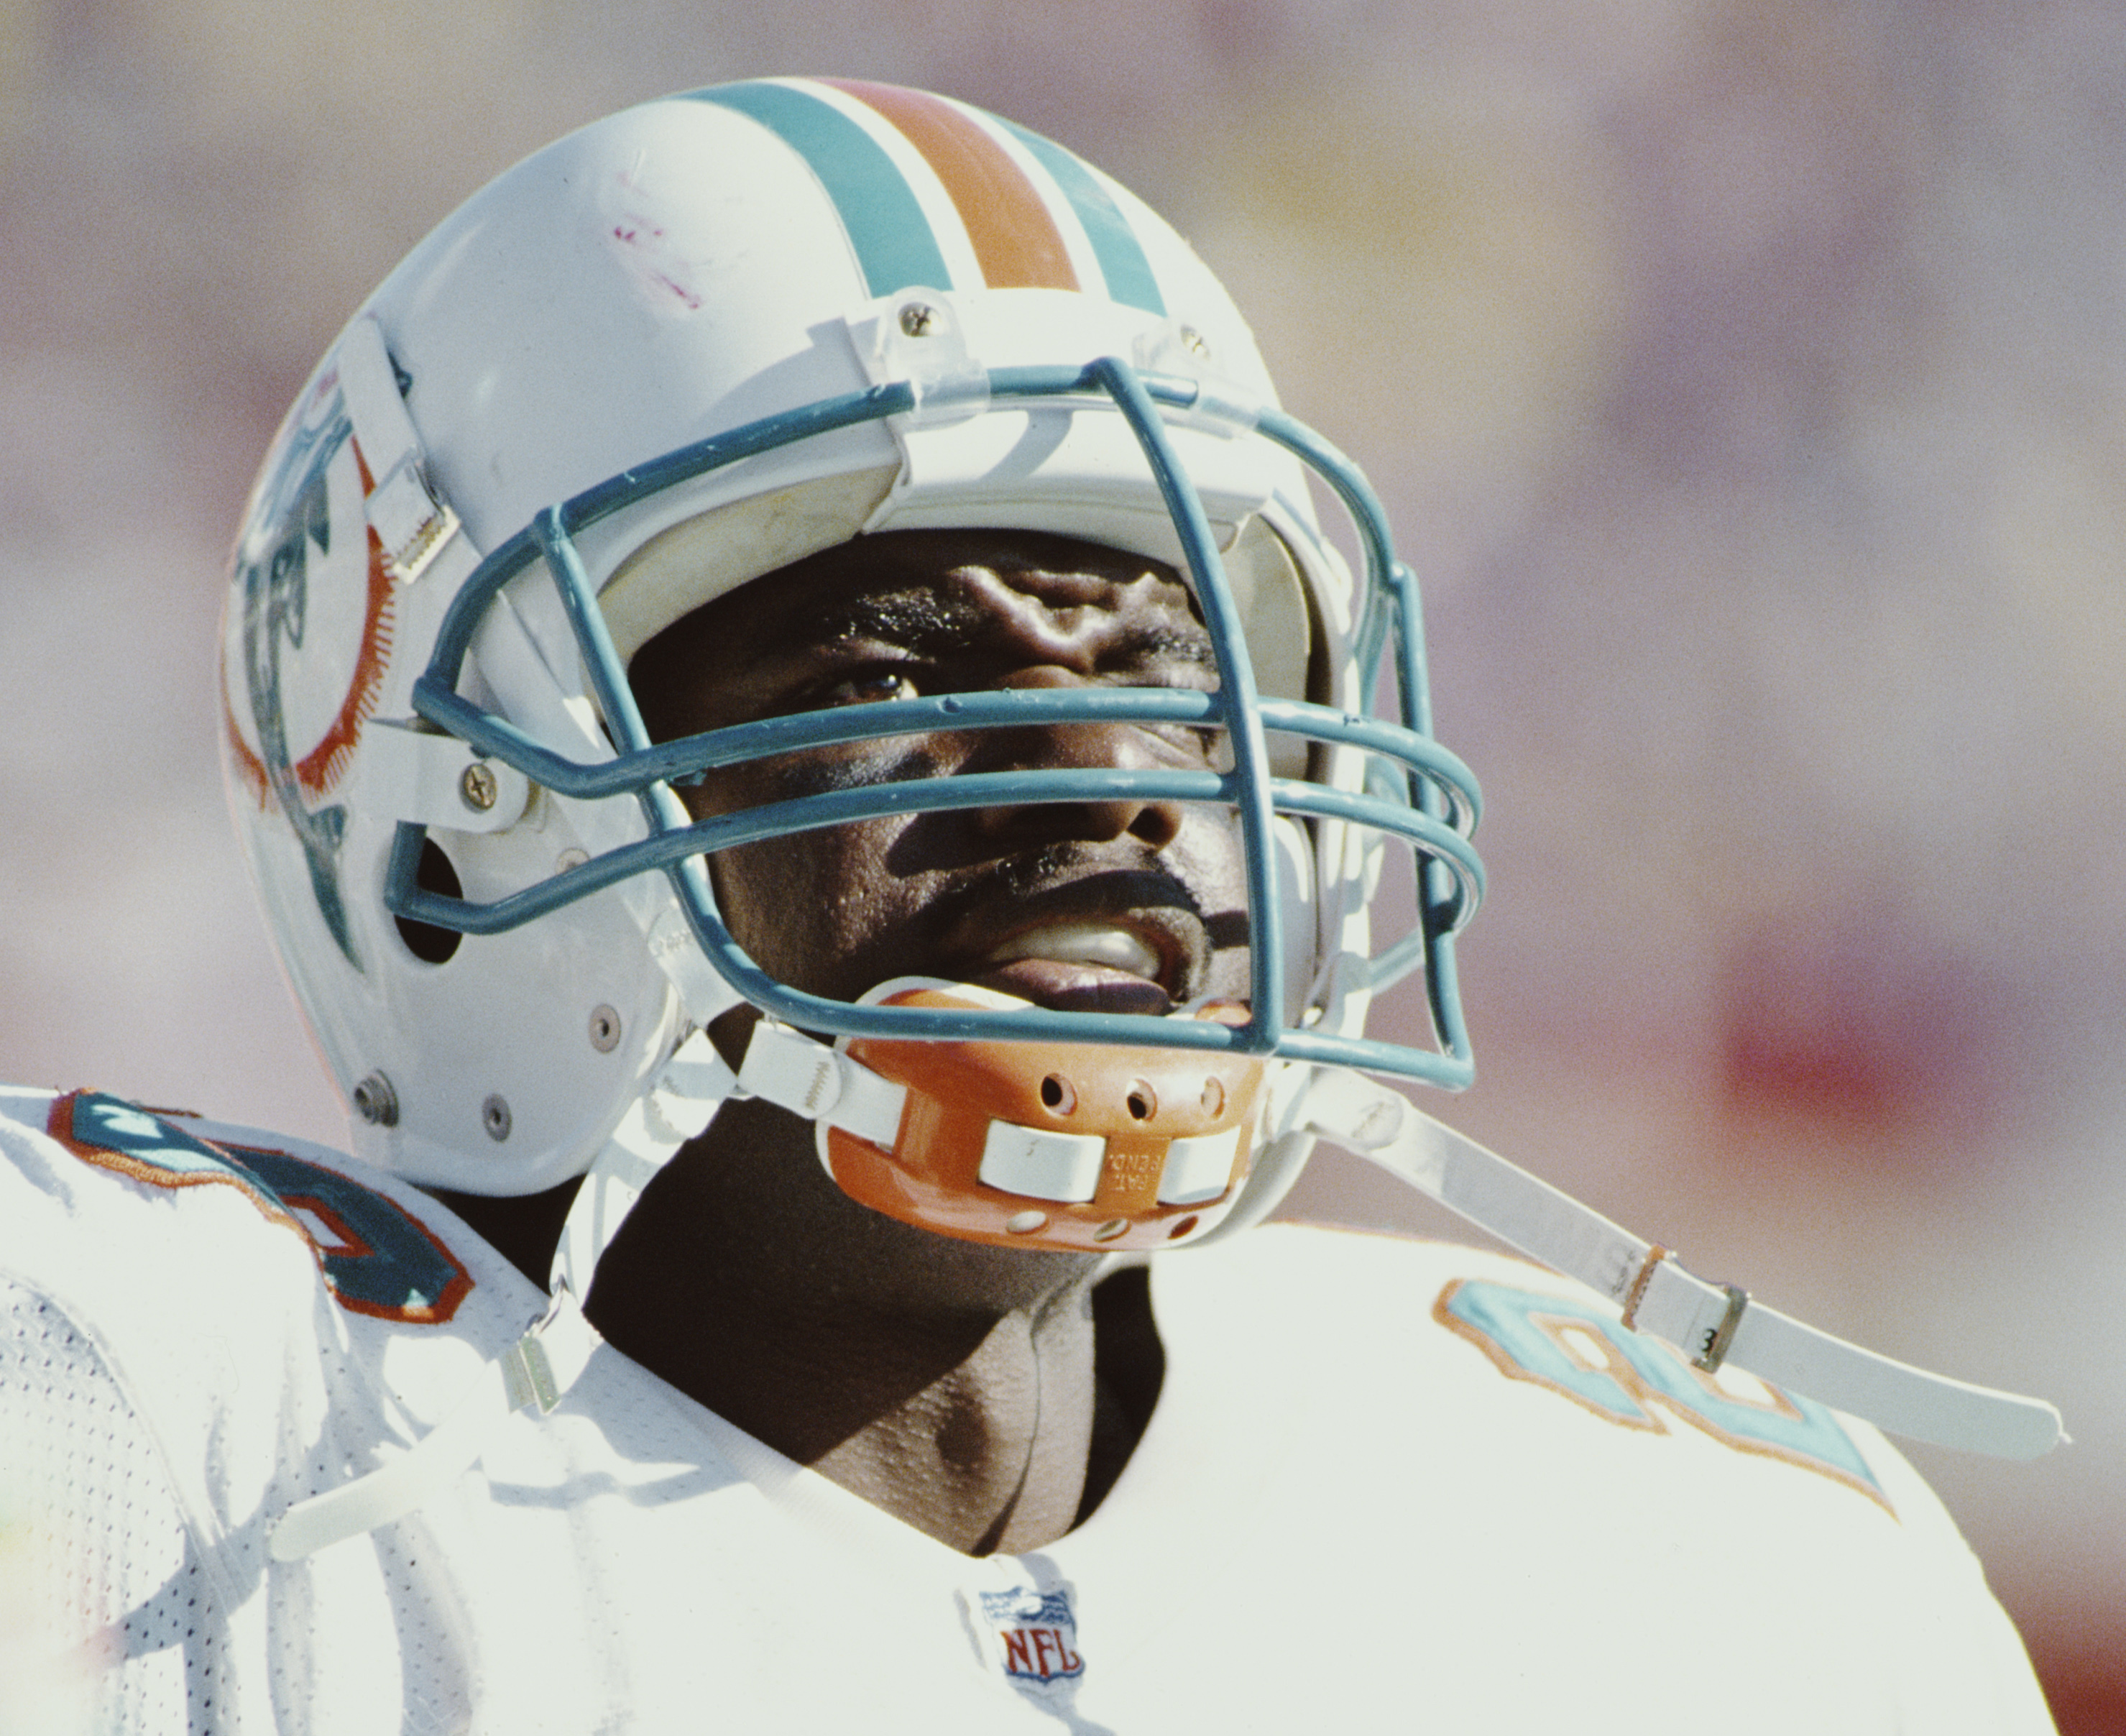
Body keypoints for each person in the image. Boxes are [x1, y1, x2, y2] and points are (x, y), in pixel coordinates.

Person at [0, 79, 2059, 1731]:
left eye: (1170, 676)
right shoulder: (169, 1422)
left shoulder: (1691, 1541)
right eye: (900, 676)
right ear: (456, 844)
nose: (1110, 794)